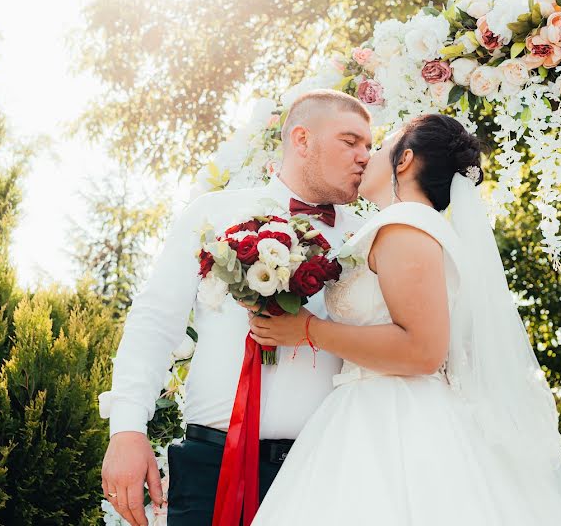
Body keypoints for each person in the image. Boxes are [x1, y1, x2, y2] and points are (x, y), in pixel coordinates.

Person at [250, 114, 561, 525]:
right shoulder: (401, 226)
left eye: (379, 148)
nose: (367, 157)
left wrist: (307, 330)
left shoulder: (407, 227)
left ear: (405, 160)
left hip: (395, 419)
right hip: (369, 407)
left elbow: (422, 350)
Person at [98, 89, 373, 526]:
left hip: (326, 473)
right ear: (301, 140)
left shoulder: (370, 240)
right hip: (211, 468)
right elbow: (154, 323)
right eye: (350, 141)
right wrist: (127, 428)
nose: (364, 156)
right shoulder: (213, 214)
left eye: (370, 147)